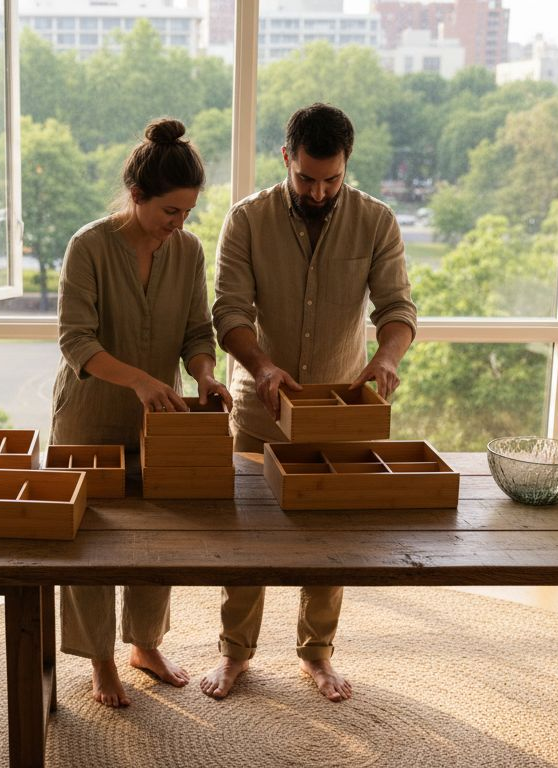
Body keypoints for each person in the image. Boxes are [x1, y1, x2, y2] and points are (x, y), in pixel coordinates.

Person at [201, 103, 418, 702]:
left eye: (332, 179)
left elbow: (397, 310)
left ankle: (317, 656)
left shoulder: (377, 221)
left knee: (331, 539)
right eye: (306, 179)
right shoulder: (246, 220)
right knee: (246, 538)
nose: (319, 192)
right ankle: (234, 653)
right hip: (257, 407)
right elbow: (229, 314)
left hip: (340, 406)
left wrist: (388, 358)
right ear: (286, 158)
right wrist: (264, 366)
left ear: (347, 165)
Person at [51, 117, 232, 707]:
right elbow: (76, 341)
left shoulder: (188, 250)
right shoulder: (89, 246)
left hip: (164, 416)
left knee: (159, 534)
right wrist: (141, 380)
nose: (179, 224)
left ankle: (144, 644)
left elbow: (197, 332)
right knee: (93, 539)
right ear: (136, 197)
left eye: (187, 212)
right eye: (170, 212)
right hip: (89, 416)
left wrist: (205, 375)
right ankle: (101, 659)